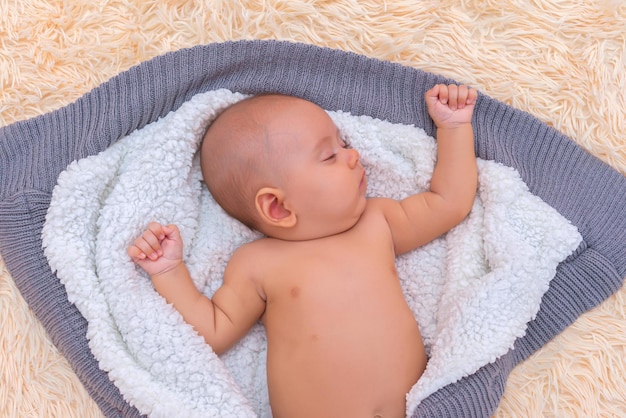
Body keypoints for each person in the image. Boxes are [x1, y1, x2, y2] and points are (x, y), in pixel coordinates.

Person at [128, 84, 478, 418]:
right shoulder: (258, 264)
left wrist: (454, 128)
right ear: (277, 207)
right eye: (330, 155)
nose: (354, 155)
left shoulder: (378, 221)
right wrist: (168, 272)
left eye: (343, 144)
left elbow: (449, 203)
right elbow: (212, 332)